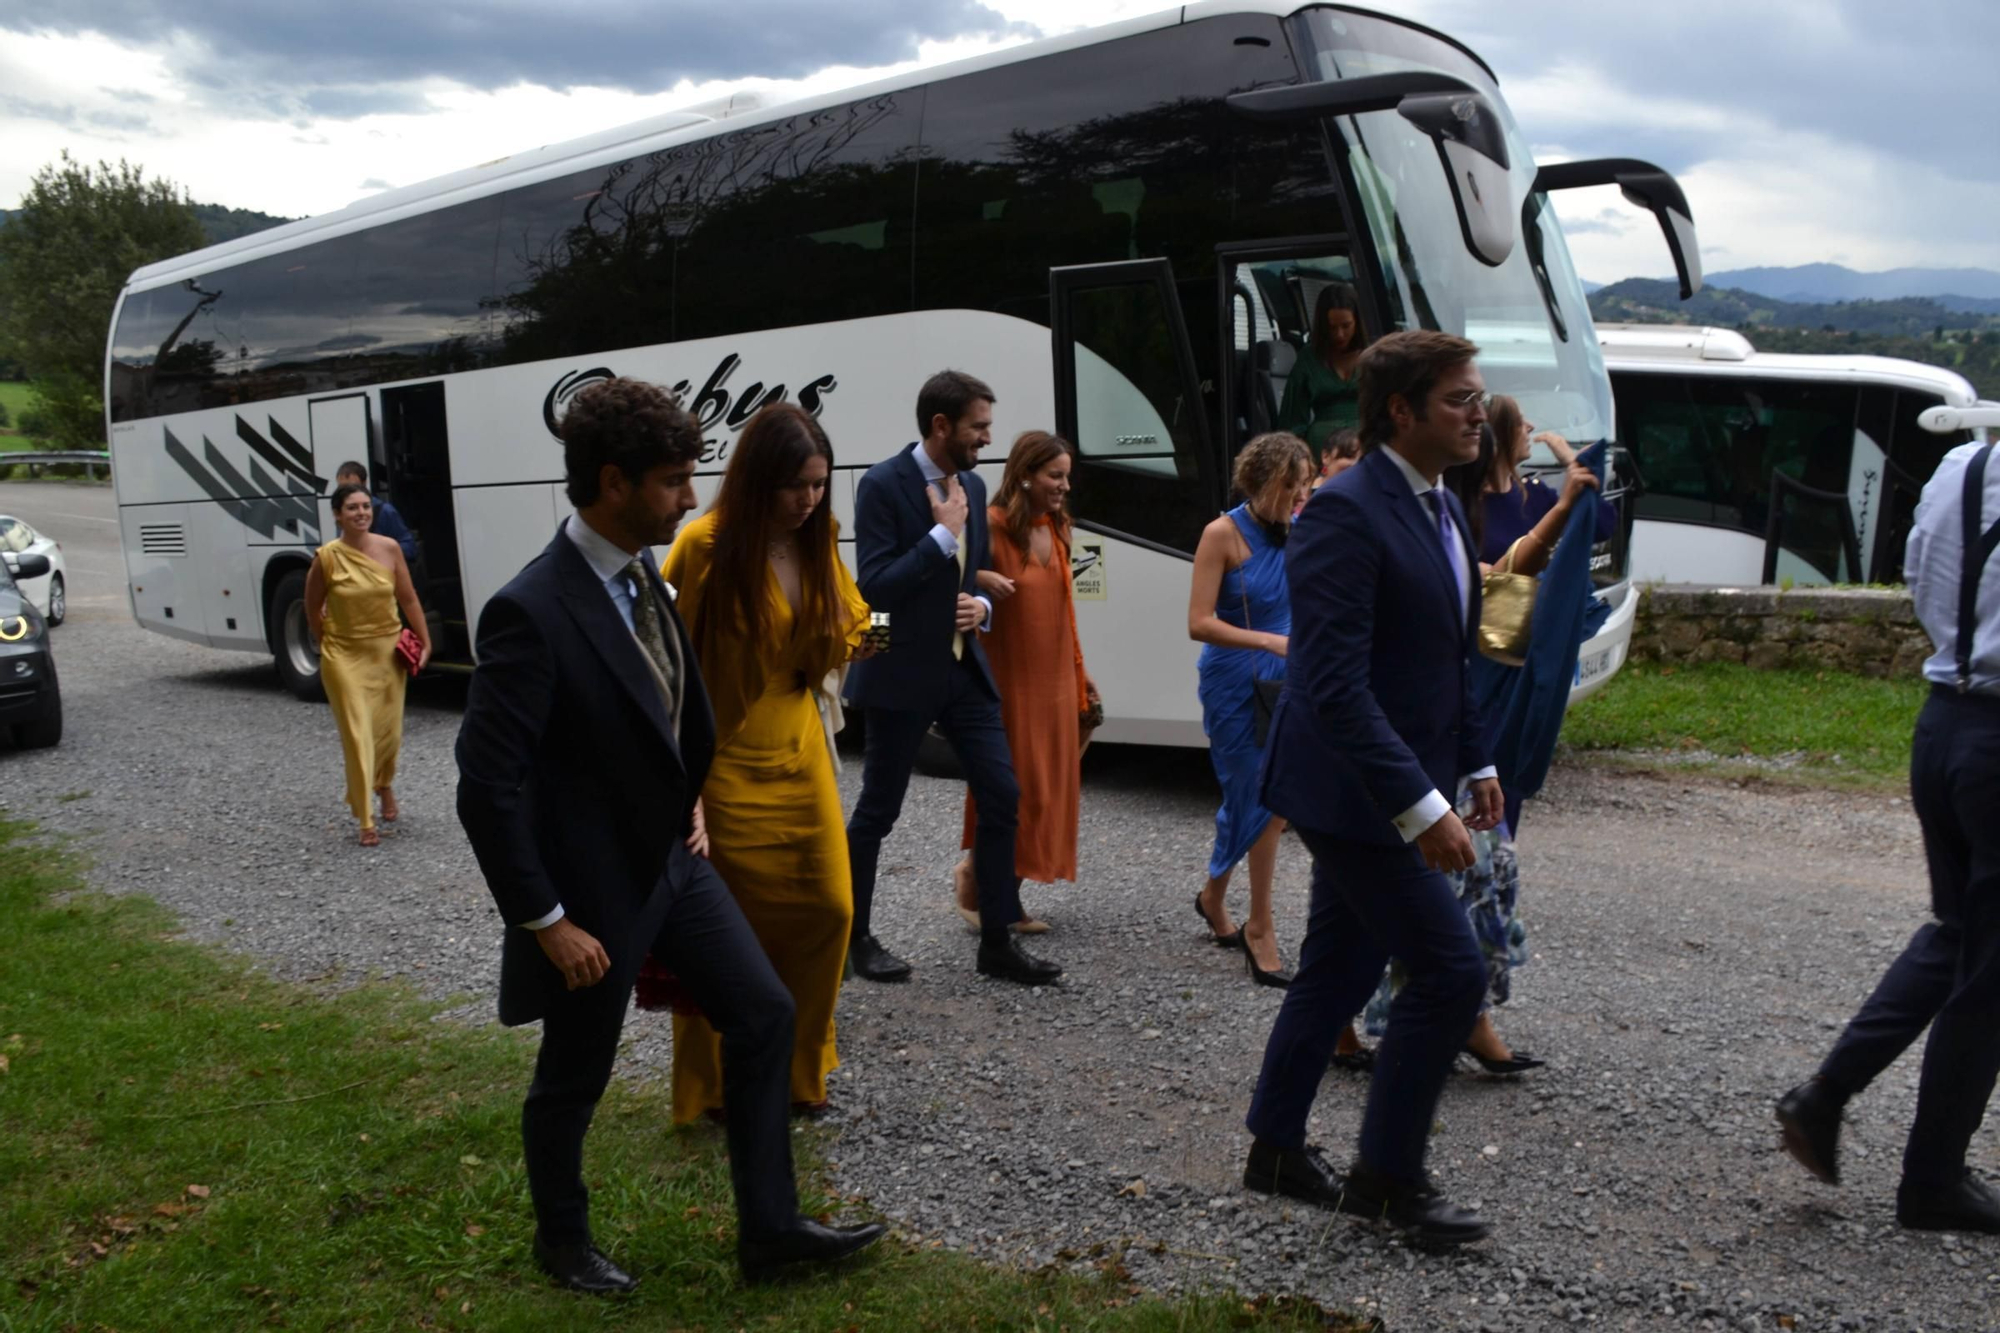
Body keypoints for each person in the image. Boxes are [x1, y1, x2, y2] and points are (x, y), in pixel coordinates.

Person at [454, 377, 883, 1293]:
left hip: (676, 867)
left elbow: (668, 705)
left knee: (763, 1013)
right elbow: (487, 790)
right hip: (592, 898)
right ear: (613, 482)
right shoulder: (530, 609)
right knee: (574, 1076)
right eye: (675, 480)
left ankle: (769, 1229)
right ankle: (562, 1243)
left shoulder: (643, 568)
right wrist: (546, 920)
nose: (693, 496)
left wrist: (689, 794)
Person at [1243, 330, 1503, 1246]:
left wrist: (1475, 762)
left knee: (1341, 968)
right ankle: (1388, 1175)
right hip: (1351, 789)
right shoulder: (1344, 511)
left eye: (1477, 397)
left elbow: (1447, 652)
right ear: (1401, 410)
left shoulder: (1440, 499)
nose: (1480, 414)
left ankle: (1273, 1145)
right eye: (1459, 400)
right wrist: (1421, 807)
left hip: (1405, 776)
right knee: (1449, 969)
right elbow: (1333, 686)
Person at [1774, 434, 2000, 1235]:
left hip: (1946, 724)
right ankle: (1933, 1177)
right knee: (1989, 978)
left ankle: (1825, 1095)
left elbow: (1920, 573)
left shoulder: (1961, 468)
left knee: (1960, 934)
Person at [659, 403, 872, 1124]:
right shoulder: (704, 546)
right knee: (727, 929)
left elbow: (855, 623)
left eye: (819, 484)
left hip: (798, 744)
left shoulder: (821, 539)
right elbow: (662, 665)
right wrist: (676, 780)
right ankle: (717, 1087)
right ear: (758, 480)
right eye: (795, 487)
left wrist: (918, 614)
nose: (809, 500)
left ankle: (800, 1069)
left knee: (829, 909)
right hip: (720, 757)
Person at [842, 370, 1058, 987]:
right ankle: (856, 940)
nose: (987, 439)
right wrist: (943, 534)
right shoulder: (883, 484)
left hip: (964, 669)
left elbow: (974, 580)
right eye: (978, 427)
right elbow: (874, 588)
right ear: (941, 426)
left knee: (1003, 794)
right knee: (878, 811)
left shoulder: (974, 483)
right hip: (900, 672)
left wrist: (982, 608)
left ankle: (995, 943)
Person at [951, 430, 1098, 931]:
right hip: (1011, 681)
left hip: (1055, 678)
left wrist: (1082, 672)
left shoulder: (1057, 527)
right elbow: (952, 582)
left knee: (1047, 792)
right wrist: (979, 582)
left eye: (1066, 477)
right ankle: (982, 883)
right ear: (1025, 475)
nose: (1064, 486)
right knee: (1016, 789)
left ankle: (1000, 892)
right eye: (1055, 476)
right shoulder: (990, 527)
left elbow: (1067, 612)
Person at [1188, 431, 1311, 987]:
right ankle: (1259, 926)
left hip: (1290, 676)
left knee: (1275, 799)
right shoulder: (1223, 533)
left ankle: (1216, 894)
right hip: (1237, 678)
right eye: (1290, 489)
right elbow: (1198, 622)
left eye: (1304, 487)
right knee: (1255, 796)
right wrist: (1267, 642)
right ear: (1260, 483)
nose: (1297, 499)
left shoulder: (1300, 530)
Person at [305, 482, 430, 847]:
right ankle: (365, 817)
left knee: (388, 733)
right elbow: (312, 605)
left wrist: (425, 640)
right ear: (337, 515)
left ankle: (385, 785)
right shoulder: (326, 557)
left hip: (387, 652)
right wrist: (326, 639)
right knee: (358, 733)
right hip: (344, 655)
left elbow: (408, 599)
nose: (360, 513)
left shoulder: (390, 549)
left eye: (365, 506)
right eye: (352, 508)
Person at [1277, 283, 1368, 465]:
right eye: (1332, 327)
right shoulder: (1309, 359)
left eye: (1346, 326)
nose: (1340, 334)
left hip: (1367, 452)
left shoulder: (1372, 356)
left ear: (1357, 323)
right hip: (1321, 459)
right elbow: (1291, 424)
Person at [333, 460, 419, 565]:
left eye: (352, 488)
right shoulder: (342, 512)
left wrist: (378, 551)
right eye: (342, 489)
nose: (347, 494)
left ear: (364, 484)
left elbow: (410, 548)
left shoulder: (384, 511)